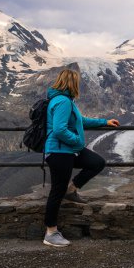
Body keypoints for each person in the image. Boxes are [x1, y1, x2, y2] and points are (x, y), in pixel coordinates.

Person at [43, 68, 120, 247]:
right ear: (72, 82)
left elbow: (80, 121)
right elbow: (59, 129)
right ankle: (50, 232)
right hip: (59, 151)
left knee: (97, 163)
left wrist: (104, 122)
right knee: (57, 191)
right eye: (77, 82)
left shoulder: (66, 100)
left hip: (67, 151)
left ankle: (72, 189)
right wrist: (77, 141)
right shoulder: (63, 101)